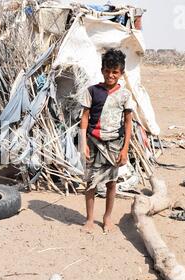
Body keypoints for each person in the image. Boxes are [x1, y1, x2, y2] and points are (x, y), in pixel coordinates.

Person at [80, 49, 136, 234]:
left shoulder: (125, 95)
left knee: (112, 182)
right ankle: (89, 219)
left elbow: (128, 123)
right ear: (102, 70)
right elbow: (85, 118)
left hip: (114, 144)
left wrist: (125, 148)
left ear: (121, 73)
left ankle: (107, 217)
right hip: (93, 143)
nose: (111, 75)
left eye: (115, 72)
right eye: (107, 71)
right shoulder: (92, 92)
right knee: (90, 183)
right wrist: (83, 143)